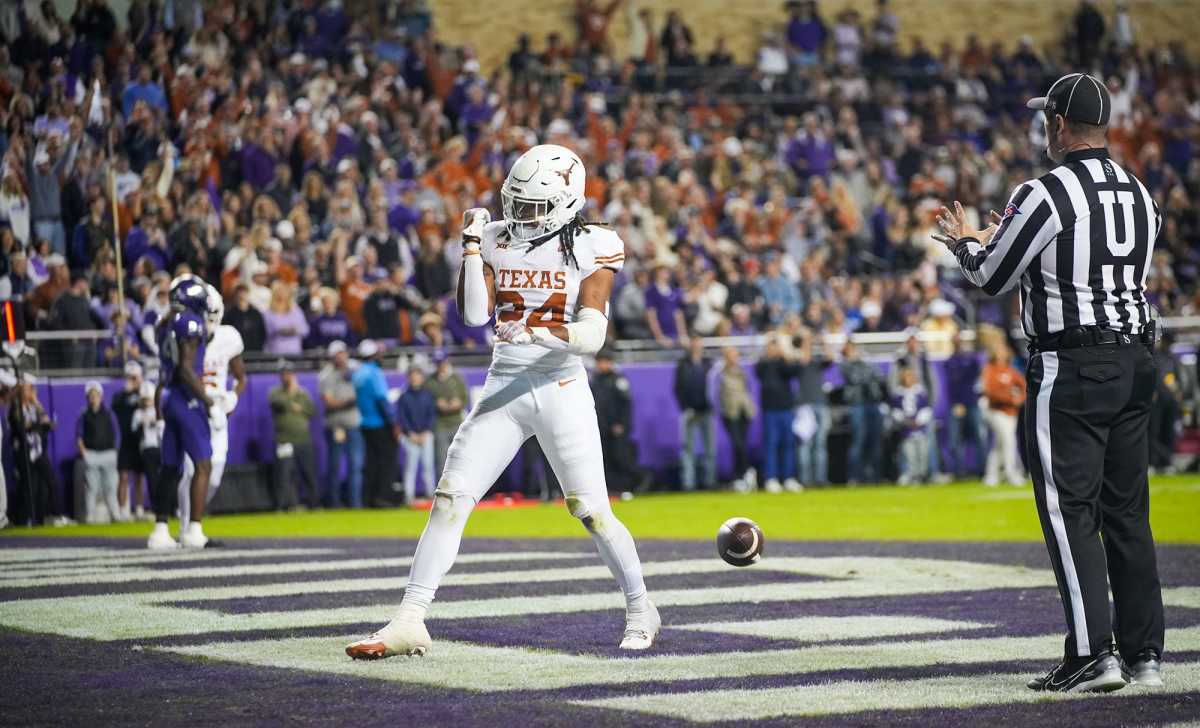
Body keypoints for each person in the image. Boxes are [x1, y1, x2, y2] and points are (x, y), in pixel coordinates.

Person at [348, 145, 658, 660]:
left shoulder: (593, 243)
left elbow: (593, 333)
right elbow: (473, 315)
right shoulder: (496, 237)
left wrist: (536, 329)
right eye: (514, 202)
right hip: (504, 384)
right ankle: (410, 618)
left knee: (592, 511)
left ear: (565, 202)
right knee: (451, 496)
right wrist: (471, 247)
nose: (519, 216)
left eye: (532, 206)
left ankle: (640, 607)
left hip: (560, 386)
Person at [935, 73, 1164, 691]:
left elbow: (992, 276)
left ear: (1059, 125)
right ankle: (1145, 654)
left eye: (1046, 120)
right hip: (1136, 359)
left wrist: (966, 243)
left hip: (1074, 365)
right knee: (1128, 513)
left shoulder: (1045, 193)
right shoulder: (1140, 194)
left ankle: (1093, 652)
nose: (1043, 130)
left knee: (1068, 511)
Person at [148, 274, 214, 550]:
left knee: (170, 466)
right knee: (203, 464)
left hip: (168, 396)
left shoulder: (165, 323)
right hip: (185, 397)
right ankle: (193, 530)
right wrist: (209, 402)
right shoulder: (190, 322)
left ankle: (160, 530)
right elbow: (185, 369)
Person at [179, 284, 246, 533]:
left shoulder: (229, 337)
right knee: (192, 470)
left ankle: (191, 517)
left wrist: (233, 397)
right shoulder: (186, 334)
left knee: (213, 477)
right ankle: (189, 525)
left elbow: (241, 378)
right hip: (194, 408)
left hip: (218, 412)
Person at [354, 339, 400, 508]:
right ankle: (383, 497)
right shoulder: (374, 373)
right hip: (379, 423)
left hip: (364, 423)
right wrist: (393, 422)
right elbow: (382, 399)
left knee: (371, 462)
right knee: (387, 461)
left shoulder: (357, 373)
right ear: (373, 355)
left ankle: (368, 498)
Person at [592, 348, 644, 493]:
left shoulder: (619, 380)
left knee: (621, 457)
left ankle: (629, 486)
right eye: (599, 362)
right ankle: (612, 489)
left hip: (617, 428)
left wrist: (622, 424)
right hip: (601, 427)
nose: (601, 365)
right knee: (605, 459)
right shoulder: (595, 381)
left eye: (604, 362)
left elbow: (625, 405)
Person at [319, 340, 364, 508]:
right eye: (337, 354)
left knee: (356, 466)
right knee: (335, 467)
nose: (341, 356)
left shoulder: (354, 369)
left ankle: (355, 504)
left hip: (352, 424)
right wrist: (349, 402)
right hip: (335, 426)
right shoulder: (326, 375)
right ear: (332, 356)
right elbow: (329, 402)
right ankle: (334, 504)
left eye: (343, 353)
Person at [754, 339, 802, 493]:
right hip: (770, 410)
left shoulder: (783, 364)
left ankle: (788, 478)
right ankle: (771, 478)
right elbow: (759, 371)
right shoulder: (764, 364)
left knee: (788, 444)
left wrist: (786, 355)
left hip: (786, 409)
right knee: (772, 445)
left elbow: (797, 369)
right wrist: (770, 356)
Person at [269, 361, 318, 510]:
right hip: (284, 440)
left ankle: (314, 504)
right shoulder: (275, 392)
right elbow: (278, 404)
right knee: (283, 475)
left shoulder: (302, 393)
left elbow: (312, 410)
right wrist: (292, 396)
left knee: (308, 472)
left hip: (303, 439)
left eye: (289, 374)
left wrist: (297, 399)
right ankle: (281, 506)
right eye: (284, 374)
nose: (286, 377)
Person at [981, 344, 1026, 487]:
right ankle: (1011, 473)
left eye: (1003, 351)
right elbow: (990, 392)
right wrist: (1011, 399)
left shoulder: (1010, 370)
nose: (1002, 354)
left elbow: (1024, 386)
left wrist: (1020, 399)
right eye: (999, 351)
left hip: (1011, 412)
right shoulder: (990, 370)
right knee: (1009, 441)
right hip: (996, 411)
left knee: (1000, 444)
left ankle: (991, 475)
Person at [76, 381, 121, 523]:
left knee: (111, 487)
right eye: (91, 395)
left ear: (101, 396)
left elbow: (116, 433)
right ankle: (89, 516)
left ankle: (115, 515)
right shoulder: (84, 415)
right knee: (91, 488)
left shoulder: (109, 413)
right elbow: (79, 436)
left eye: (96, 395)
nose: (93, 398)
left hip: (108, 454)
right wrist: (84, 453)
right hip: (92, 454)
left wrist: (115, 451)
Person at [841, 340, 885, 483]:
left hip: (872, 404)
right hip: (857, 405)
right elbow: (855, 378)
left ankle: (874, 476)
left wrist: (866, 370)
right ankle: (854, 477)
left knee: (875, 441)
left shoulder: (867, 363)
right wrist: (865, 370)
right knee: (858, 442)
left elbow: (879, 377)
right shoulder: (845, 364)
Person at [673, 338, 714, 491]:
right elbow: (677, 388)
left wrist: (712, 405)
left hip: (706, 410)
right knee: (687, 449)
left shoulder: (708, 363)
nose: (697, 346)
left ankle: (710, 482)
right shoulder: (683, 364)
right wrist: (685, 407)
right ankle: (688, 484)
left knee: (710, 449)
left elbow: (714, 385)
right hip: (689, 411)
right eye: (694, 343)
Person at [943, 338, 987, 478]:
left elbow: (976, 377)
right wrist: (956, 402)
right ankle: (958, 472)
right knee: (955, 440)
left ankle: (982, 470)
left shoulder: (971, 360)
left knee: (979, 437)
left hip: (972, 402)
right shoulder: (950, 361)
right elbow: (953, 383)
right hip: (957, 404)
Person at [794, 332, 831, 487]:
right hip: (805, 405)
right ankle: (805, 480)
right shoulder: (798, 360)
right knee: (805, 444)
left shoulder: (817, 362)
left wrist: (823, 343)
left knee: (820, 444)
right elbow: (803, 359)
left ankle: (820, 479)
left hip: (820, 403)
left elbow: (830, 358)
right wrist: (807, 342)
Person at [717, 346, 756, 491]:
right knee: (737, 444)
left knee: (742, 445)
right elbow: (716, 394)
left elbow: (747, 391)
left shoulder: (741, 372)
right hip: (729, 413)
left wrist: (750, 409)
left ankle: (743, 475)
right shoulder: (720, 373)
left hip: (743, 413)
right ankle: (743, 473)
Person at [111, 361, 147, 520]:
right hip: (126, 440)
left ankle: (139, 508)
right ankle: (122, 510)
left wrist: (139, 390)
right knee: (123, 476)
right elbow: (116, 406)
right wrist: (128, 392)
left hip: (140, 440)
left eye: (134, 377)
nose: (132, 380)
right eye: (130, 377)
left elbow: (149, 403)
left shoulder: (144, 393)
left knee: (139, 477)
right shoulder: (120, 396)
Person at [396, 366, 436, 504]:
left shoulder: (428, 394)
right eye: (412, 375)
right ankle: (409, 496)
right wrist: (410, 433)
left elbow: (431, 414)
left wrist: (426, 431)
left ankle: (431, 494)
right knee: (410, 467)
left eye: (417, 375)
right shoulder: (404, 396)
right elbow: (402, 417)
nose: (414, 378)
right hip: (410, 437)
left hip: (426, 435)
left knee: (428, 466)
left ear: (422, 377)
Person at [426, 351, 467, 481]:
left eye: (442, 362)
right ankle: (442, 490)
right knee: (441, 460)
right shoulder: (430, 381)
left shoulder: (456, 378)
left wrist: (458, 403)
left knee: (459, 458)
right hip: (440, 425)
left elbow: (465, 398)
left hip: (457, 423)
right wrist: (436, 404)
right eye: (437, 363)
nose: (440, 366)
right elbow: (426, 401)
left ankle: (461, 488)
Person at [889, 367, 933, 485]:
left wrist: (919, 420)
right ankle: (911, 474)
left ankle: (922, 474)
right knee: (909, 454)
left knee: (923, 452)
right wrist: (905, 420)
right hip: (906, 429)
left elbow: (926, 408)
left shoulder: (920, 392)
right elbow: (895, 411)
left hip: (920, 427)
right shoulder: (898, 394)